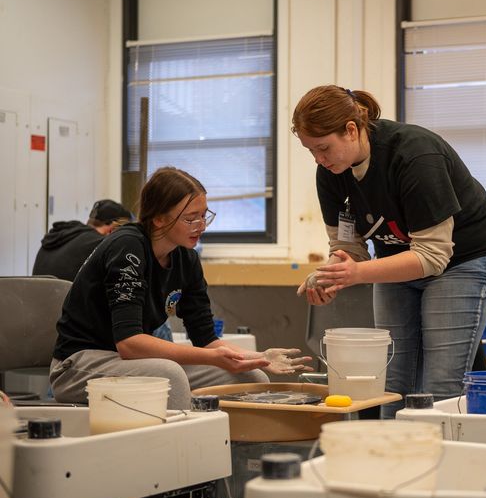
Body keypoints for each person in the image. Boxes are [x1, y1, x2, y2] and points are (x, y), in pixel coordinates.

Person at [292, 85, 486, 418]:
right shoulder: (332, 172)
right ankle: (394, 450)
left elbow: (433, 256)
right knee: (391, 384)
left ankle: (440, 451)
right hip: (399, 259)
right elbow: (348, 247)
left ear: (351, 130)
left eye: (323, 148)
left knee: (441, 385)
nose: (319, 159)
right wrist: (330, 275)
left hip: (462, 260)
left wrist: (356, 273)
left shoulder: (415, 156)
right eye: (311, 151)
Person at [49, 167, 311, 410]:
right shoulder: (127, 247)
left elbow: (206, 340)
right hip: (78, 366)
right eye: (190, 218)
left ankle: (228, 444)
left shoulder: (187, 259)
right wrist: (213, 357)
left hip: (130, 363)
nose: (201, 226)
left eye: (204, 216)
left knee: (252, 376)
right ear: (159, 219)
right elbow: (130, 343)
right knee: (169, 374)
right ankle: (182, 445)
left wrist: (259, 357)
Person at [33, 199, 133, 281]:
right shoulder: (100, 245)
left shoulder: (57, 237)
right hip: (66, 299)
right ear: (113, 228)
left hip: (36, 298)